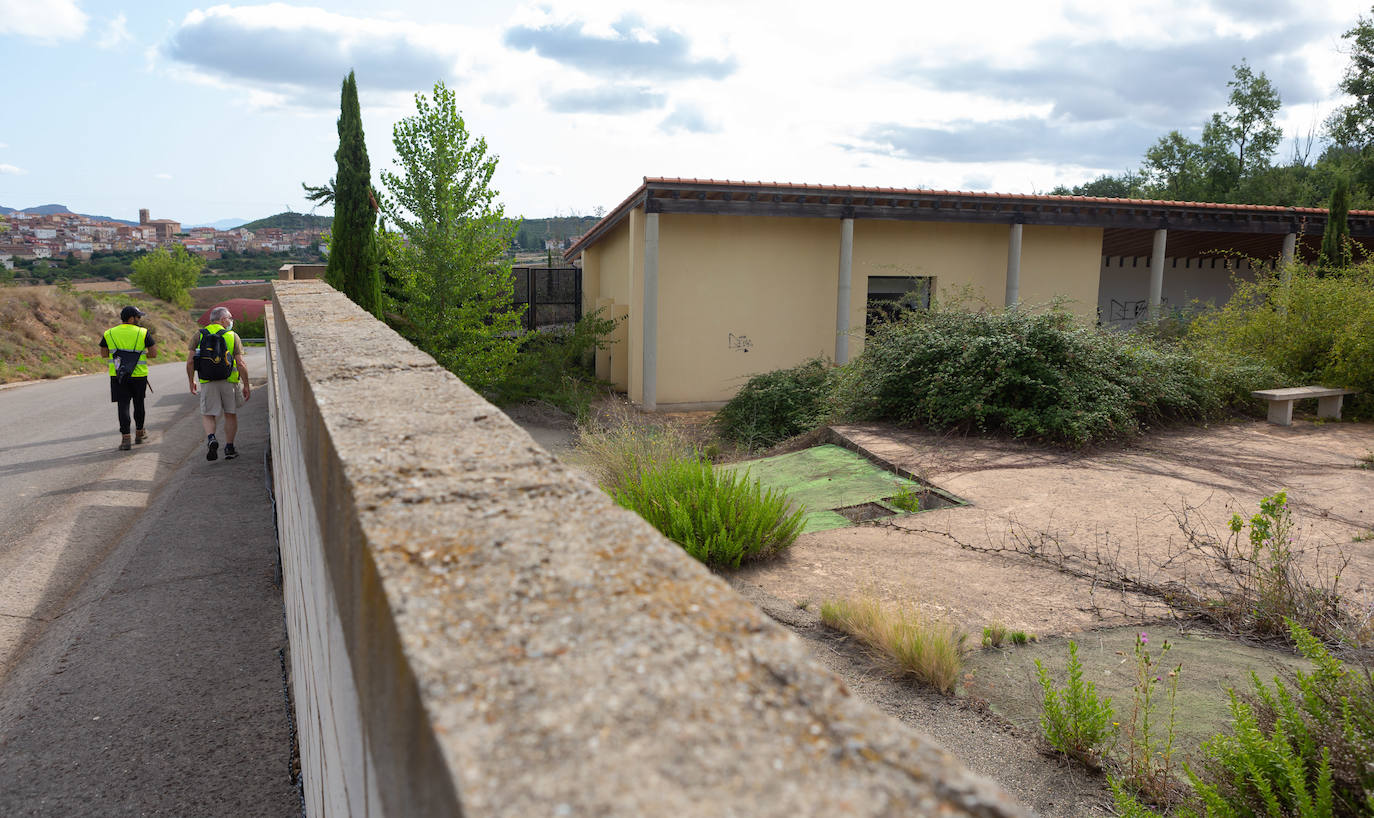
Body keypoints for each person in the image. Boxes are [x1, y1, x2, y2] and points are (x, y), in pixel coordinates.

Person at [187, 306, 251, 461]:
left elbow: (190, 361)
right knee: (230, 414)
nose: (231, 321)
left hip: (208, 382)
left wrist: (191, 381)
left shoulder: (199, 335)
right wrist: (247, 385)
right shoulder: (232, 335)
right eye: (230, 318)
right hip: (229, 381)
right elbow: (240, 363)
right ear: (223, 319)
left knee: (208, 414)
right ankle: (229, 448)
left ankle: (211, 438)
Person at [101, 305, 158, 451]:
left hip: (118, 375)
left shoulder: (109, 333)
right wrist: (138, 354)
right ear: (132, 318)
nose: (140, 319)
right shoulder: (143, 332)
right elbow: (153, 354)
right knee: (139, 404)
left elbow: (104, 353)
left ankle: (125, 439)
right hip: (138, 375)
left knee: (123, 405)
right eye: (138, 317)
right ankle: (139, 433)